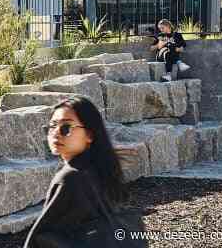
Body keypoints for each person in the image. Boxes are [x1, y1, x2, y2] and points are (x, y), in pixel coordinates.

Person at [24, 96, 145, 248]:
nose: (55, 133)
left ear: (89, 134)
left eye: (66, 127)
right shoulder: (100, 168)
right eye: (52, 126)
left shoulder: (70, 178)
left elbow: (39, 237)